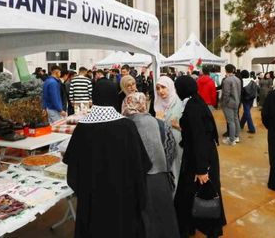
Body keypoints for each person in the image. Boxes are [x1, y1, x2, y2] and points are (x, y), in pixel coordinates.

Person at [63, 79, 152, 238]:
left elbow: (73, 172)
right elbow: (141, 165)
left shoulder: (82, 128)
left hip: (93, 204)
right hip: (123, 202)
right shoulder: (127, 127)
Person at [173, 76, 226, 238]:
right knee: (190, 194)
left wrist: (202, 169)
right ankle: (192, 226)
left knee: (203, 193)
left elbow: (200, 138)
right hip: (200, 156)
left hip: (199, 159)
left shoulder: (193, 107)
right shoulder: (196, 101)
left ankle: (209, 229)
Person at [121, 92, 179, 237]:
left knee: (140, 218)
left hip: (134, 180)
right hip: (159, 178)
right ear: (144, 104)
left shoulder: (123, 126)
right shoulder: (159, 123)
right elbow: (171, 148)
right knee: (163, 216)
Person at [154, 75, 184, 185]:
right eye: (157, 88)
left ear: (170, 87)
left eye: (163, 87)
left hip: (179, 145)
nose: (160, 91)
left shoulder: (180, 103)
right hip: (165, 146)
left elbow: (192, 128)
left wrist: (178, 126)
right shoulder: (157, 105)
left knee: (179, 170)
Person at [220, 64, 241, 145]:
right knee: (236, 119)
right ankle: (236, 136)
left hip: (229, 103)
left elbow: (226, 94)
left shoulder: (227, 80)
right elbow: (239, 92)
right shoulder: (237, 79)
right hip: (236, 101)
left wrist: (223, 103)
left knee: (231, 121)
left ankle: (231, 140)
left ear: (226, 70)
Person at [239, 69, 258, 134]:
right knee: (246, 112)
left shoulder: (242, 81)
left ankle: (252, 128)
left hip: (245, 98)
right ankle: (241, 125)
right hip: (252, 98)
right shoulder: (252, 80)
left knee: (247, 113)